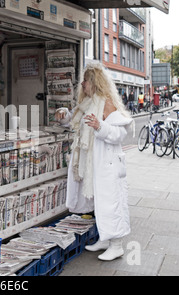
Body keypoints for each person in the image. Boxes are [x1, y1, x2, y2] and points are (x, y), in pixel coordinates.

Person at [55, 62, 133, 261]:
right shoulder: (87, 104)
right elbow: (73, 120)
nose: (82, 84)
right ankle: (105, 239)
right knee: (100, 202)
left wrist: (100, 126)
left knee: (111, 202)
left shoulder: (107, 103)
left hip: (108, 164)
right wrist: (63, 114)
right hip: (94, 164)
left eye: (86, 81)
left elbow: (120, 134)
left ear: (95, 83)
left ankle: (117, 245)